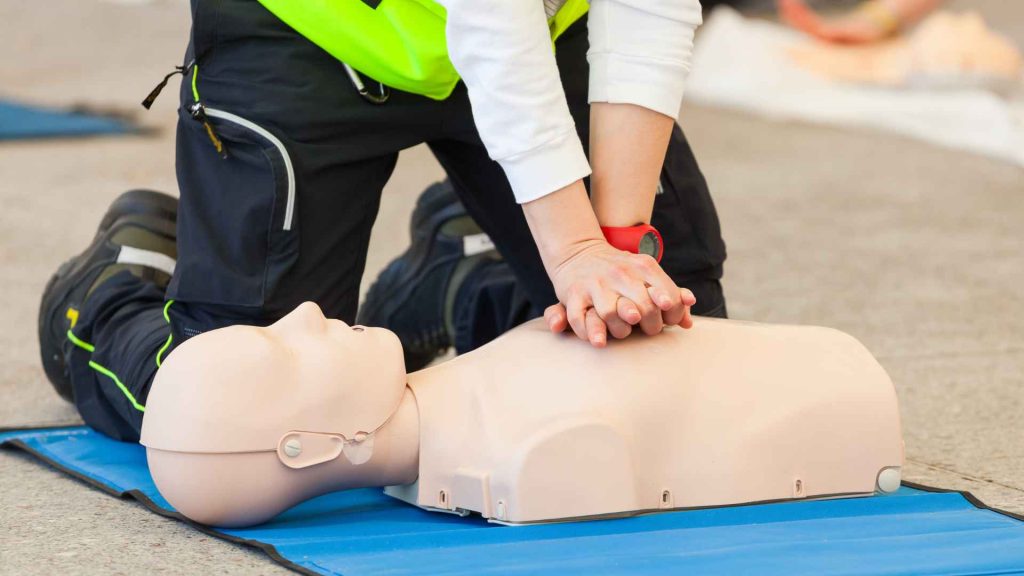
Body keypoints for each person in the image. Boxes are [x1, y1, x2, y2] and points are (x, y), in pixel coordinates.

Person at [38, 0, 726, 442]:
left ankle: (460, 267)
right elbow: (491, 21)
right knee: (241, 409)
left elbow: (650, 5)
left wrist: (617, 248)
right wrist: (572, 246)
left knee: (666, 357)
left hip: (543, 29)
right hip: (311, 32)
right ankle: (108, 293)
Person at [141, 301, 904, 527]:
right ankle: (110, 294)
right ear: (306, 448)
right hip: (838, 389)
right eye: (283, 353)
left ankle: (455, 258)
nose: (305, 313)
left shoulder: (479, 399)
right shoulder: (528, 445)